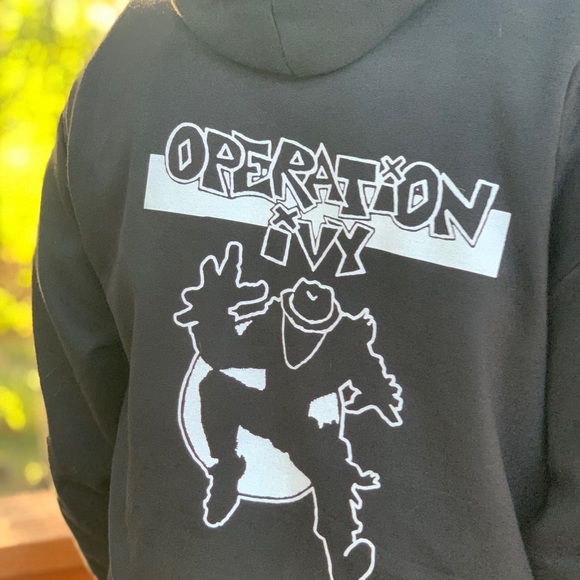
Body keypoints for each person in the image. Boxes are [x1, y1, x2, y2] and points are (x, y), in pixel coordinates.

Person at [33, 0, 580, 578]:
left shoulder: (122, 63)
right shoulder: (555, 57)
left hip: (285, 456)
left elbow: (85, 452)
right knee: (219, 391)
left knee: (333, 471)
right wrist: (214, 308)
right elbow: (200, 364)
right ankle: (227, 469)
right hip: (270, 419)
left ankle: (343, 548)